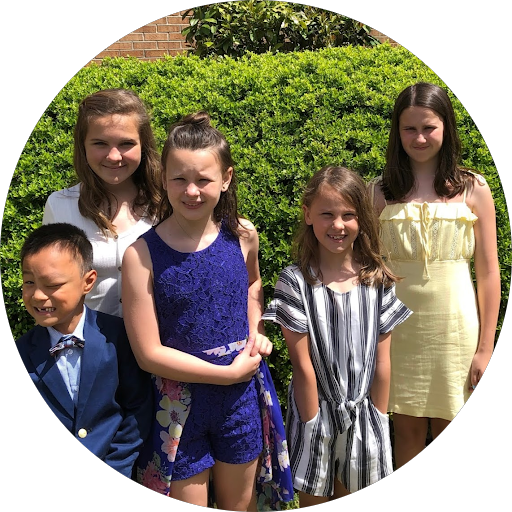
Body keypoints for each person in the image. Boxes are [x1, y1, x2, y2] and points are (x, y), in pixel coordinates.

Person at [121, 111, 293, 511]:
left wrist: (255, 330)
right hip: (178, 409)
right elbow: (148, 354)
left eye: (204, 180)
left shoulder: (243, 235)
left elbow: (252, 285)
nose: (191, 191)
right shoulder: (140, 255)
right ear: (163, 178)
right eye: (179, 179)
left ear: (226, 178)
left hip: (240, 400)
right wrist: (225, 374)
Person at [262, 165, 412, 506]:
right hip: (315, 415)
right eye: (327, 214)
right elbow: (302, 366)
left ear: (362, 219)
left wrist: (378, 416)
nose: (338, 225)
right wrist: (312, 421)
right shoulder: (295, 282)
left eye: (348, 215)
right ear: (308, 215)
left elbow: (382, 362)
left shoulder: (377, 280)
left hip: (366, 418)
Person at [369, 82, 501, 468]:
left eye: (429, 127)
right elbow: (367, 270)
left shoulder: (474, 188)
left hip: (457, 332)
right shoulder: (378, 192)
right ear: (397, 132)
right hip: (398, 334)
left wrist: (486, 348)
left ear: (446, 127)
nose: (420, 138)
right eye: (409, 129)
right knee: (406, 431)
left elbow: (489, 273)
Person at [16, 222, 152, 478]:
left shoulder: (119, 337)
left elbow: (137, 408)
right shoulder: (23, 351)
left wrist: (118, 463)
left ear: (88, 282)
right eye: (29, 282)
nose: (37, 295)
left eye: (52, 284)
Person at [42, 88, 162, 317]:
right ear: (83, 146)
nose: (114, 156)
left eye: (126, 143)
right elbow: (48, 286)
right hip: (88, 339)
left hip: (160, 338)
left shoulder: (166, 203)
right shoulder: (59, 206)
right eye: (100, 143)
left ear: (143, 145)